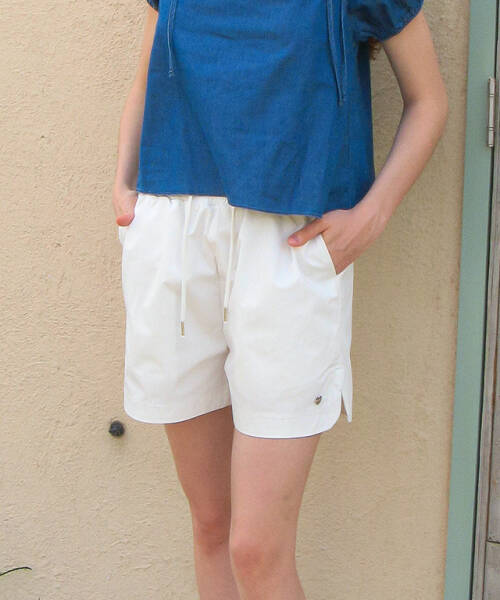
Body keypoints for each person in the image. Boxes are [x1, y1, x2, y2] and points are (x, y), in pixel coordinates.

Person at [112, 0, 447, 597]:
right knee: (211, 525)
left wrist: (372, 214)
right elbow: (145, 76)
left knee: (256, 550)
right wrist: (124, 186)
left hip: (287, 248)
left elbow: (429, 101)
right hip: (174, 239)